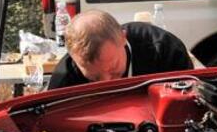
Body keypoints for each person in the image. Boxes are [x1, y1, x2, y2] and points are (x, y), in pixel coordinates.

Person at [49, 10, 192, 89]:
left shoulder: (165, 52)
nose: (106, 84)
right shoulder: (63, 81)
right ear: (74, 59)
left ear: (123, 37)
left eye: (114, 70)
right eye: (94, 78)